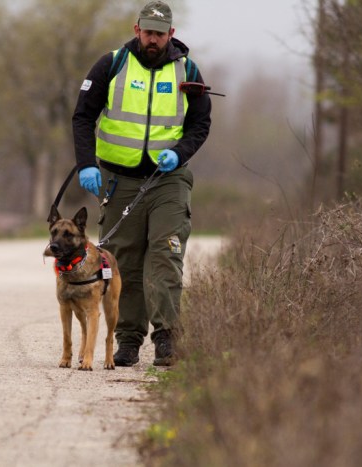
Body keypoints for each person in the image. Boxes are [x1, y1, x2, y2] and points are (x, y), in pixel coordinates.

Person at [71, 1, 212, 366]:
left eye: (159, 33)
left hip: (167, 179)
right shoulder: (112, 64)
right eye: (147, 32)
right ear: (137, 30)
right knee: (124, 263)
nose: (153, 39)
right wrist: (87, 164)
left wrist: (179, 154)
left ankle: (167, 338)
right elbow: (83, 116)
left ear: (171, 34)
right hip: (119, 180)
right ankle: (129, 339)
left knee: (166, 255)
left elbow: (200, 125)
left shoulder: (189, 71)